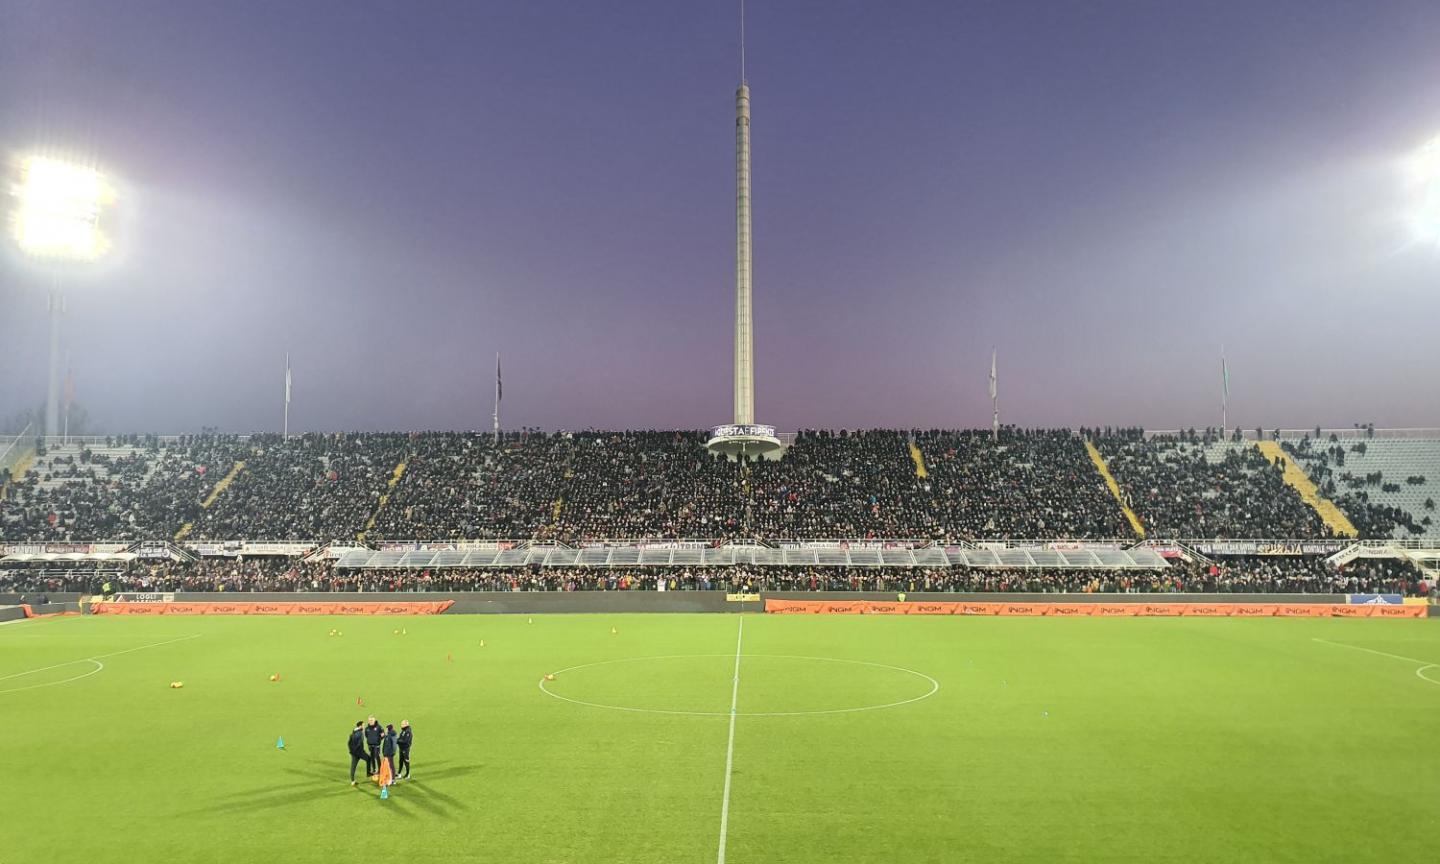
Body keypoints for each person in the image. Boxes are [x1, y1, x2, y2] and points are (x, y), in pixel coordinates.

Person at [347, 721, 367, 785]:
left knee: (353, 766)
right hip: (358, 752)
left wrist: (351, 751)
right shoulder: (360, 733)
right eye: (363, 725)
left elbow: (349, 743)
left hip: (354, 752)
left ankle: (352, 781)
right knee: (369, 759)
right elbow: (359, 744)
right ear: (360, 726)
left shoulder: (353, 733)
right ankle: (371, 773)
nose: (364, 726)